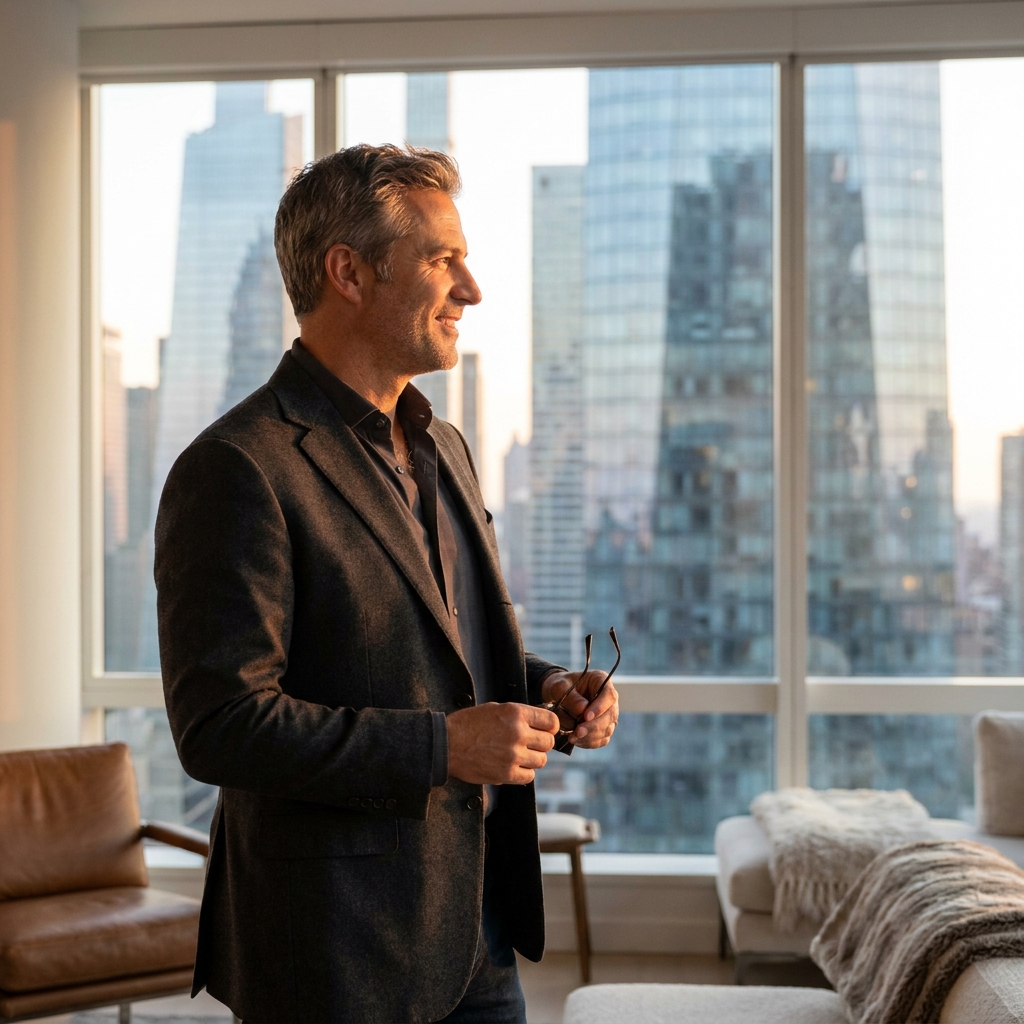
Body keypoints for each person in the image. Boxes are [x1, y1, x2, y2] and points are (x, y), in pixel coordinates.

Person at [155, 143, 619, 1024]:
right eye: (443, 260)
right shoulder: (236, 467)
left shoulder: (445, 447)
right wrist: (443, 748)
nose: (471, 289)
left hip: (479, 928)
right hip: (337, 950)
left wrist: (547, 688)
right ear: (349, 273)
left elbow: (446, 648)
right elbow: (221, 727)